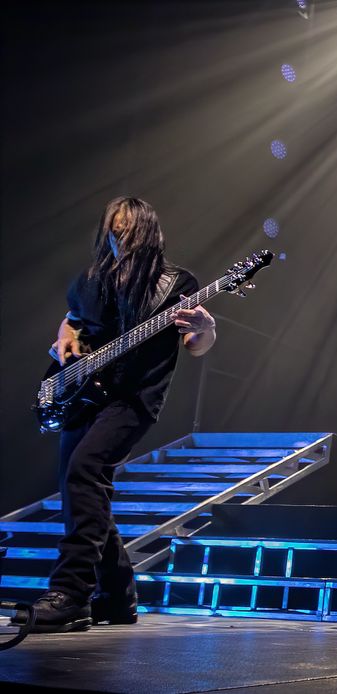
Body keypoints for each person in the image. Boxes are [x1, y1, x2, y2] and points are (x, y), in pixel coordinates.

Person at [21, 197, 216, 633]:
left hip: (134, 399)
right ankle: (117, 594)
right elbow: (73, 319)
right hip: (83, 395)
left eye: (128, 227)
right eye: (113, 227)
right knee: (79, 484)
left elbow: (195, 346)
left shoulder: (175, 283)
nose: (119, 235)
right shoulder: (92, 279)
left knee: (85, 472)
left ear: (146, 231)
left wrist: (206, 330)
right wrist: (64, 336)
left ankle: (72, 593)